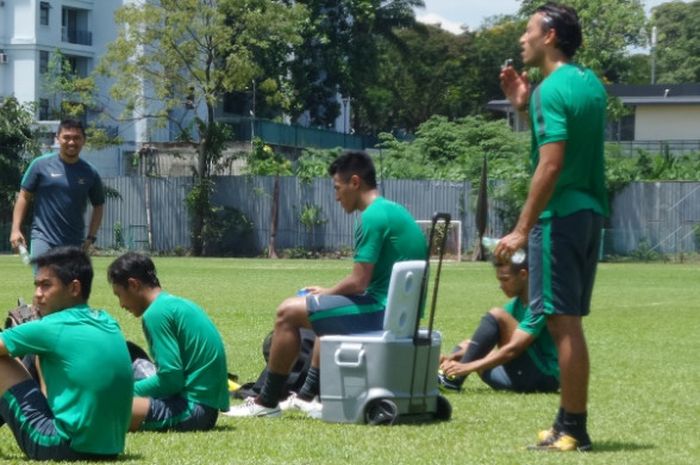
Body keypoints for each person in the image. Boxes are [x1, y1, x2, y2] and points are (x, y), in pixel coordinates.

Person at [226, 150, 427, 418]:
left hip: (380, 312)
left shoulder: (372, 217)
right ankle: (307, 395)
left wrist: (327, 292)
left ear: (354, 182)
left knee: (287, 311)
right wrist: (327, 296)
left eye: (337, 187)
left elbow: (358, 281)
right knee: (323, 310)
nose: (335, 196)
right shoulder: (394, 210)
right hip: (397, 313)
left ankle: (266, 402)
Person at [497, 2, 608, 452]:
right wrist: (522, 105)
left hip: (557, 217)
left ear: (549, 36)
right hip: (589, 213)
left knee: (562, 326)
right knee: (570, 321)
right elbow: (572, 141)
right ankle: (566, 422)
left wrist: (522, 228)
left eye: (528, 30)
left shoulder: (550, 89)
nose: (522, 38)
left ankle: (574, 429)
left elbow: (551, 163)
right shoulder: (589, 83)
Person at [0, 247, 132, 461]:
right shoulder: (108, 320)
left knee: (2, 361)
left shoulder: (51, 327)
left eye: (46, 285)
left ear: (74, 288)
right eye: (36, 286)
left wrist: (21, 333)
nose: (37, 294)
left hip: (62, 445)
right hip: (109, 448)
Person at [107, 252, 230, 432]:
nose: (121, 305)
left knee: (105, 410)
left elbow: (171, 380)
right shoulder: (174, 304)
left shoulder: (155, 314)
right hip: (205, 406)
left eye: (119, 295)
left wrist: (127, 392)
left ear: (133, 284)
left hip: (192, 410)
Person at [439, 257, 559, 393]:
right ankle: (444, 374)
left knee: (497, 315)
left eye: (505, 279)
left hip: (543, 379)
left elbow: (513, 349)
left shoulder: (541, 304)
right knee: (466, 346)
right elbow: (491, 349)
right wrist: (452, 357)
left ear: (523, 275)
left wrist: (467, 366)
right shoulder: (515, 306)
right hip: (516, 378)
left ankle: (453, 381)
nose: (501, 286)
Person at [9, 119, 105, 260]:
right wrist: (15, 229)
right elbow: (24, 196)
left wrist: (90, 237)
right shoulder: (40, 165)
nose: (71, 142)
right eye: (66, 137)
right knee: (46, 280)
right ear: (57, 139)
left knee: (70, 282)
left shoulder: (90, 172)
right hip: (43, 238)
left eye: (77, 138)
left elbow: (99, 205)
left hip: (74, 242)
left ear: (84, 140)